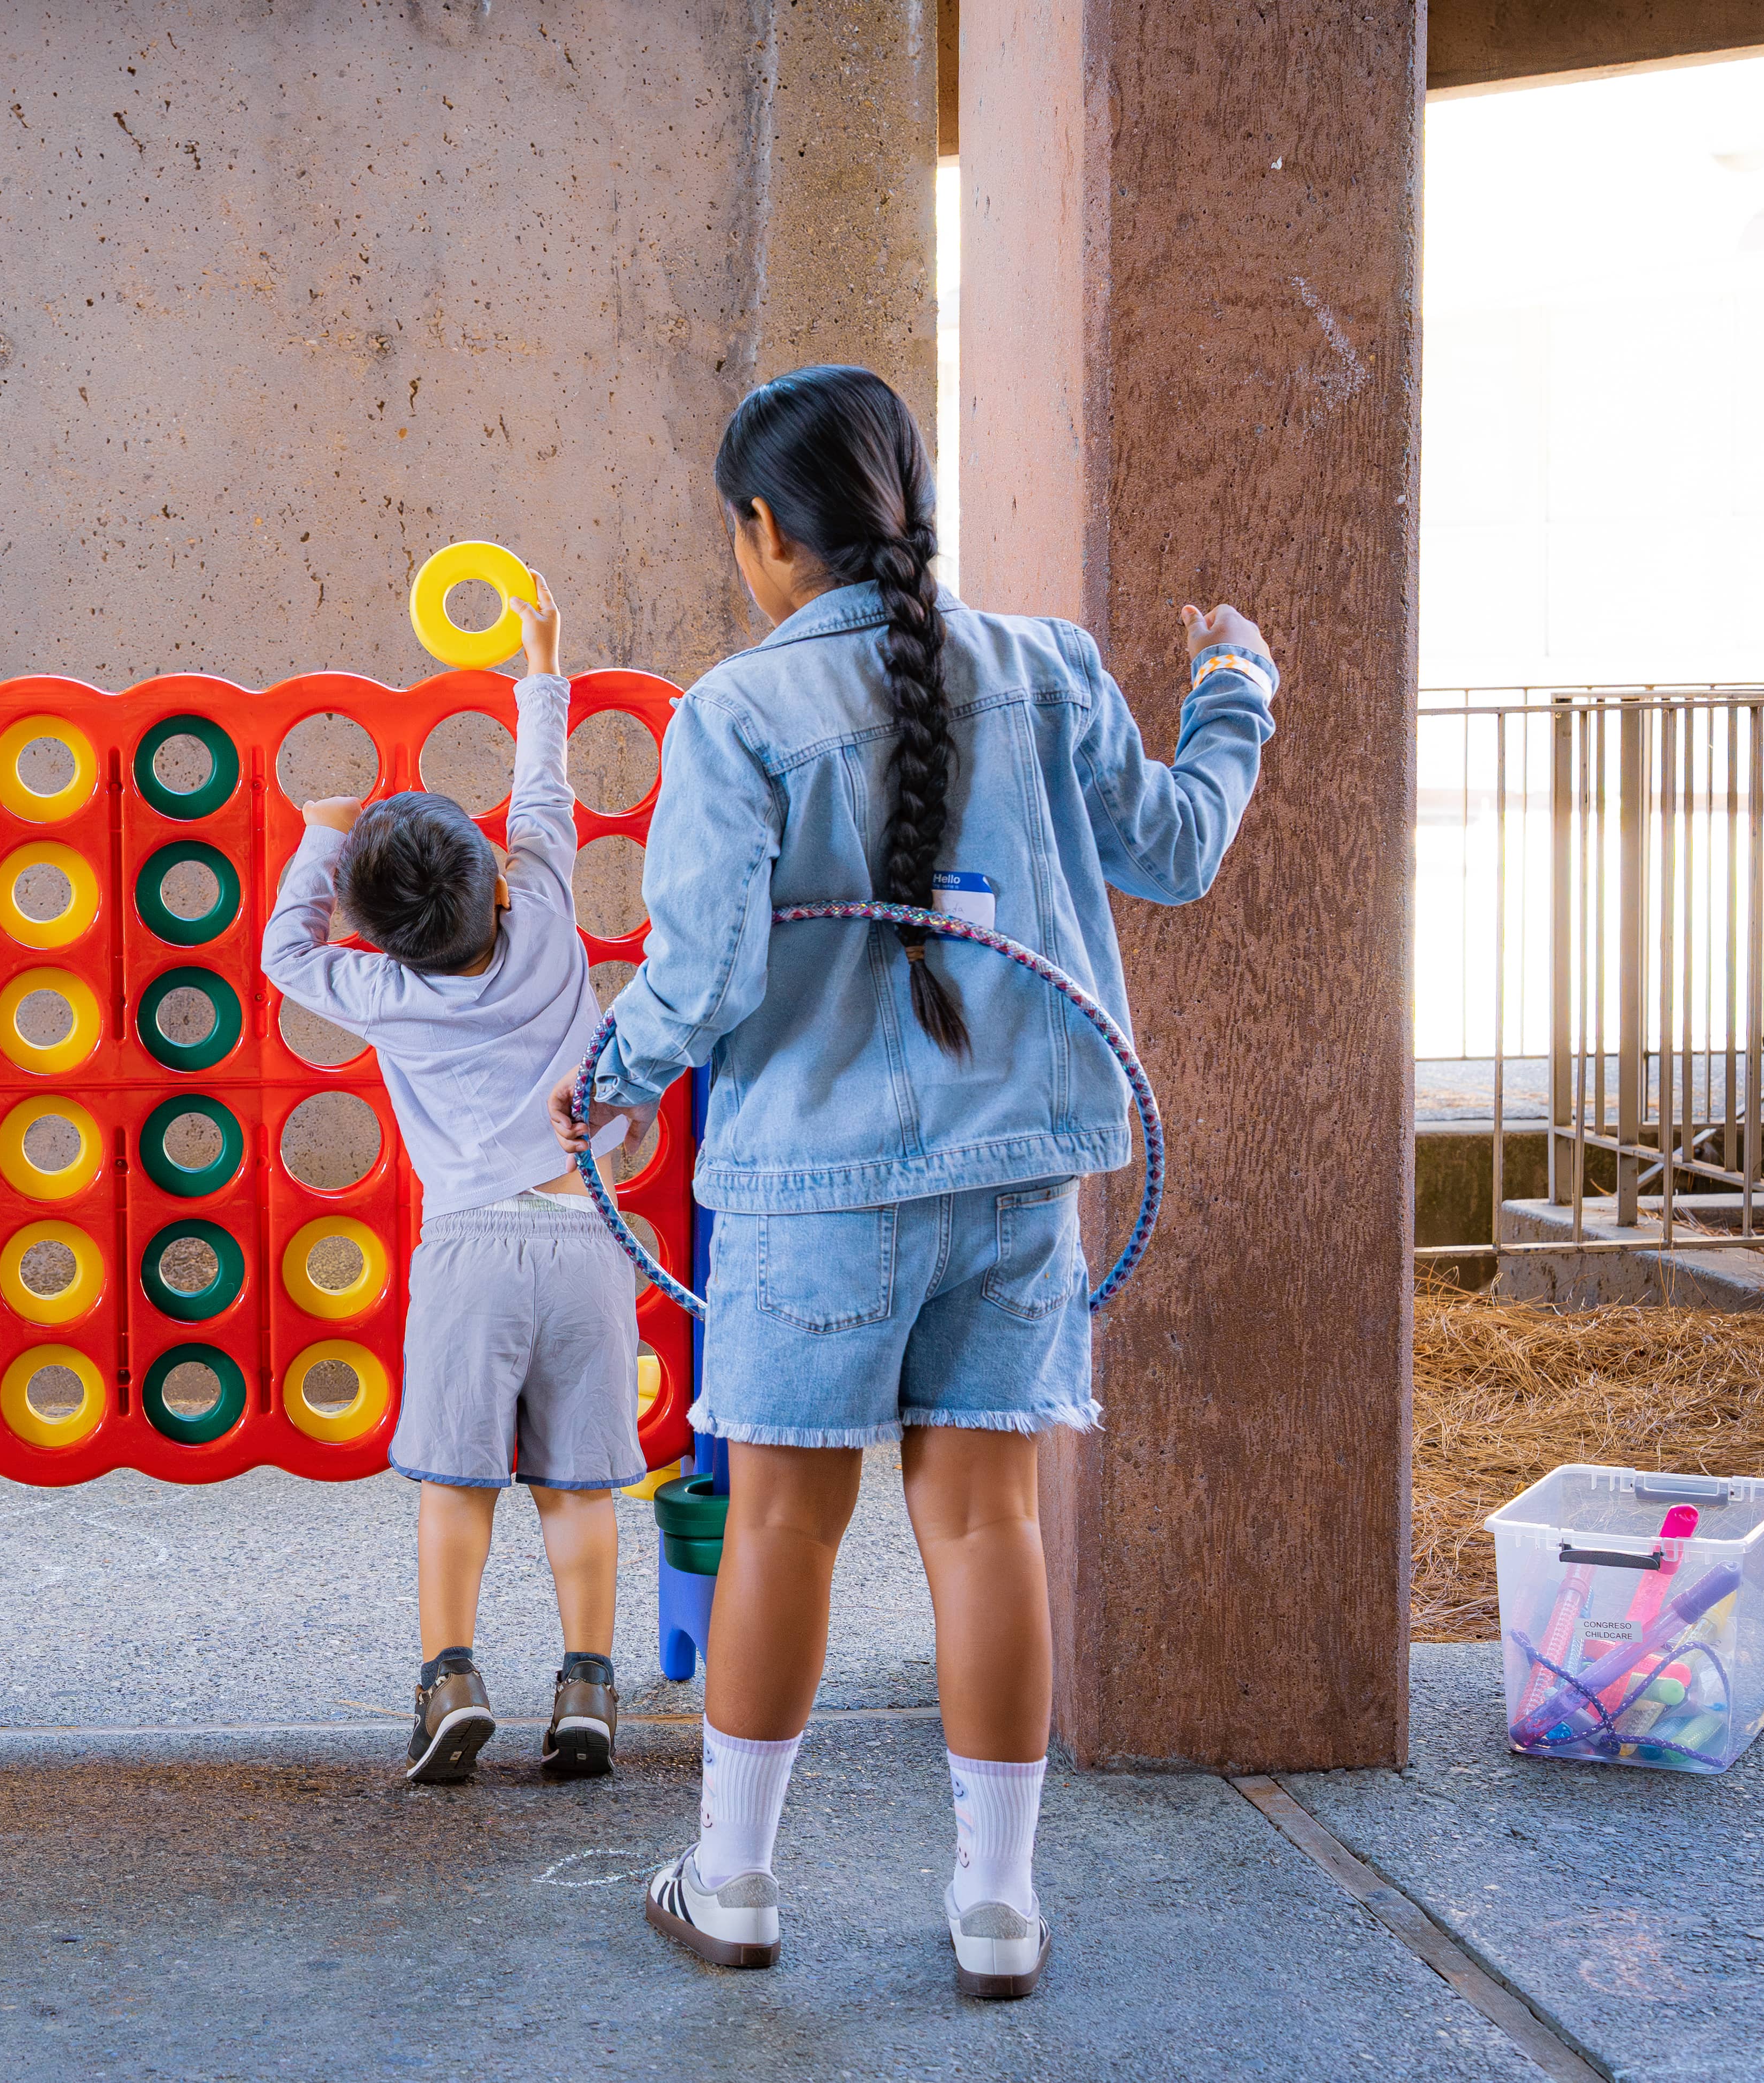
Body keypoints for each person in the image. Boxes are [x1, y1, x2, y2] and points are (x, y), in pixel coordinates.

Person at [547, 364, 1275, 1997]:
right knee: (989, 1521)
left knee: (785, 1525)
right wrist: (1234, 691)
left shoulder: (734, 710)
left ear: (761, 532)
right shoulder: (1048, 666)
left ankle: (732, 1880)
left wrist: (603, 1080)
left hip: (814, 1184)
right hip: (1020, 1177)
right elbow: (1175, 847)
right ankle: (1000, 1908)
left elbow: (711, 965)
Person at [264, 573, 658, 1785]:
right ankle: (587, 1687)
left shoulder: (379, 990)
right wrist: (542, 662)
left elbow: (286, 954)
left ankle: (450, 1677)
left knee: (457, 1478)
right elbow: (542, 792)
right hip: (586, 1240)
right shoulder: (539, 906)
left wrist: (325, 829)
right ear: (492, 874)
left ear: (372, 937)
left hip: (470, 1253)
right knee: (580, 1483)